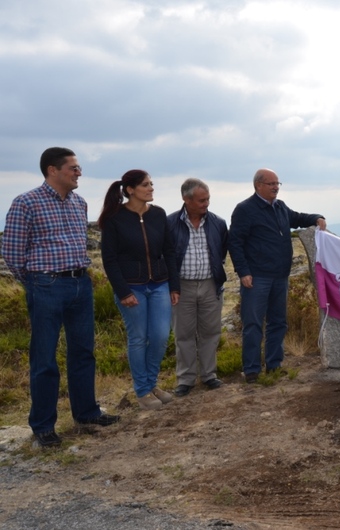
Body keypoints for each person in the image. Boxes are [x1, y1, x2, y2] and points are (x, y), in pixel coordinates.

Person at [2, 147, 120, 447]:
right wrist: (36, 283)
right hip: (46, 287)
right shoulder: (26, 202)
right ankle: (43, 427)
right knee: (44, 358)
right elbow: (13, 254)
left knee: (83, 352)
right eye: (73, 167)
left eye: (78, 167)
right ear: (52, 170)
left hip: (80, 283)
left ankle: (87, 413)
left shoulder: (79, 203)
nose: (79, 172)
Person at [229, 169, 326, 383]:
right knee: (253, 324)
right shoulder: (245, 209)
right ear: (258, 186)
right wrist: (243, 272)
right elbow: (235, 242)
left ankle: (274, 365)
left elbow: (297, 218)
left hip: (280, 276)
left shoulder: (280, 207)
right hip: (257, 277)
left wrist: (316, 217)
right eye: (271, 183)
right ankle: (252, 370)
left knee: (278, 323)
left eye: (277, 183)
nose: (275, 187)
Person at [98, 170, 180, 411]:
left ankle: (152, 384)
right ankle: (143, 391)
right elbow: (109, 259)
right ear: (130, 190)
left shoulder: (158, 214)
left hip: (159, 285)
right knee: (138, 338)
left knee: (160, 336)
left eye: (151, 183)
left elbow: (169, 251)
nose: (151, 188)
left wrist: (174, 285)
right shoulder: (115, 218)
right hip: (132, 288)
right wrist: (123, 292)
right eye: (146, 185)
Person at [167, 178, 229, 397]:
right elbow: (166, 256)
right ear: (186, 199)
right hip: (181, 287)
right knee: (183, 334)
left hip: (211, 285)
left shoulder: (218, 223)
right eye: (202, 200)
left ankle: (209, 375)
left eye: (208, 199)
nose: (206, 204)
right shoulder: (170, 223)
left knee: (210, 332)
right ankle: (185, 379)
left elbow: (220, 253)